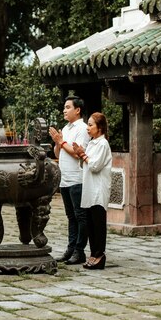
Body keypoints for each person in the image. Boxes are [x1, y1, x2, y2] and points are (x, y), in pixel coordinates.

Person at [49, 95, 90, 265]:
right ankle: (71, 248)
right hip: (65, 179)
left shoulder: (82, 128)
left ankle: (79, 250)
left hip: (77, 178)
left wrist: (61, 141)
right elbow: (58, 154)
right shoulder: (65, 128)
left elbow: (76, 153)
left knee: (81, 216)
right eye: (64, 107)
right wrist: (58, 143)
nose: (64, 110)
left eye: (68, 107)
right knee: (70, 216)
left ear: (77, 110)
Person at [72, 112, 112, 270]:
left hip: (98, 189)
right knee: (90, 224)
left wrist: (83, 155)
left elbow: (95, 166)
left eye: (90, 125)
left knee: (98, 224)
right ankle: (93, 254)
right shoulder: (92, 143)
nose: (88, 128)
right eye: (88, 124)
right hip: (89, 188)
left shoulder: (103, 144)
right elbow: (85, 165)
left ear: (100, 127)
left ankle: (99, 254)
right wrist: (81, 155)